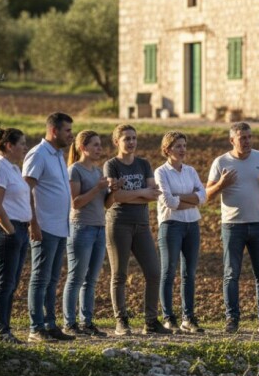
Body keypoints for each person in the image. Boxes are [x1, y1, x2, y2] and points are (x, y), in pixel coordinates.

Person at [206, 122, 259, 334]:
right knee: (231, 274)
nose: (247, 141)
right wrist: (221, 184)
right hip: (232, 226)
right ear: (232, 140)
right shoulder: (221, 162)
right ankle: (232, 319)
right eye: (243, 138)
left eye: (249, 137)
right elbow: (207, 195)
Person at [104, 124, 169, 335]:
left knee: (153, 271)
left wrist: (132, 193)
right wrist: (141, 192)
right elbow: (117, 197)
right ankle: (121, 321)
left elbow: (154, 193)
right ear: (117, 142)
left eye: (134, 138)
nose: (131, 142)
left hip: (141, 224)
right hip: (118, 223)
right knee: (119, 274)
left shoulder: (143, 164)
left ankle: (150, 321)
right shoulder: (111, 165)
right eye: (127, 139)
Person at [23, 112, 76, 343]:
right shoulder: (38, 154)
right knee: (40, 278)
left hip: (60, 227)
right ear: (54, 131)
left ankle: (50, 324)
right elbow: (27, 190)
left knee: (53, 278)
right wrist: (33, 223)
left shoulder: (58, 155)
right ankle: (36, 328)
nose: (71, 136)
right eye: (67, 131)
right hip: (44, 227)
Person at [155, 131, 207, 333]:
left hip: (192, 225)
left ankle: (188, 318)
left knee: (189, 274)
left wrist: (182, 198)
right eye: (178, 146)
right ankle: (168, 317)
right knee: (168, 272)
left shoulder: (191, 171)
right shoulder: (161, 172)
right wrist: (190, 199)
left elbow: (202, 197)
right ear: (167, 149)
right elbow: (169, 202)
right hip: (171, 225)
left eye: (184, 145)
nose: (182, 150)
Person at [61, 130, 111, 337]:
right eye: (95, 145)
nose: (99, 149)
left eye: (100, 144)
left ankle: (87, 322)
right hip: (81, 227)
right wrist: (97, 188)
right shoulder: (75, 170)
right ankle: (69, 323)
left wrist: (113, 191)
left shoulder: (98, 172)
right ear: (83, 147)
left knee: (91, 279)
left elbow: (106, 203)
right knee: (76, 277)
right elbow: (76, 202)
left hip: (100, 227)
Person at [0, 128, 31, 344]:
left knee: (11, 283)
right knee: (4, 283)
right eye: (21, 143)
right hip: (6, 231)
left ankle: (5, 329)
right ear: (9, 145)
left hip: (19, 230)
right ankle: (0, 331)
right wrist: (11, 231)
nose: (24, 147)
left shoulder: (12, 168)